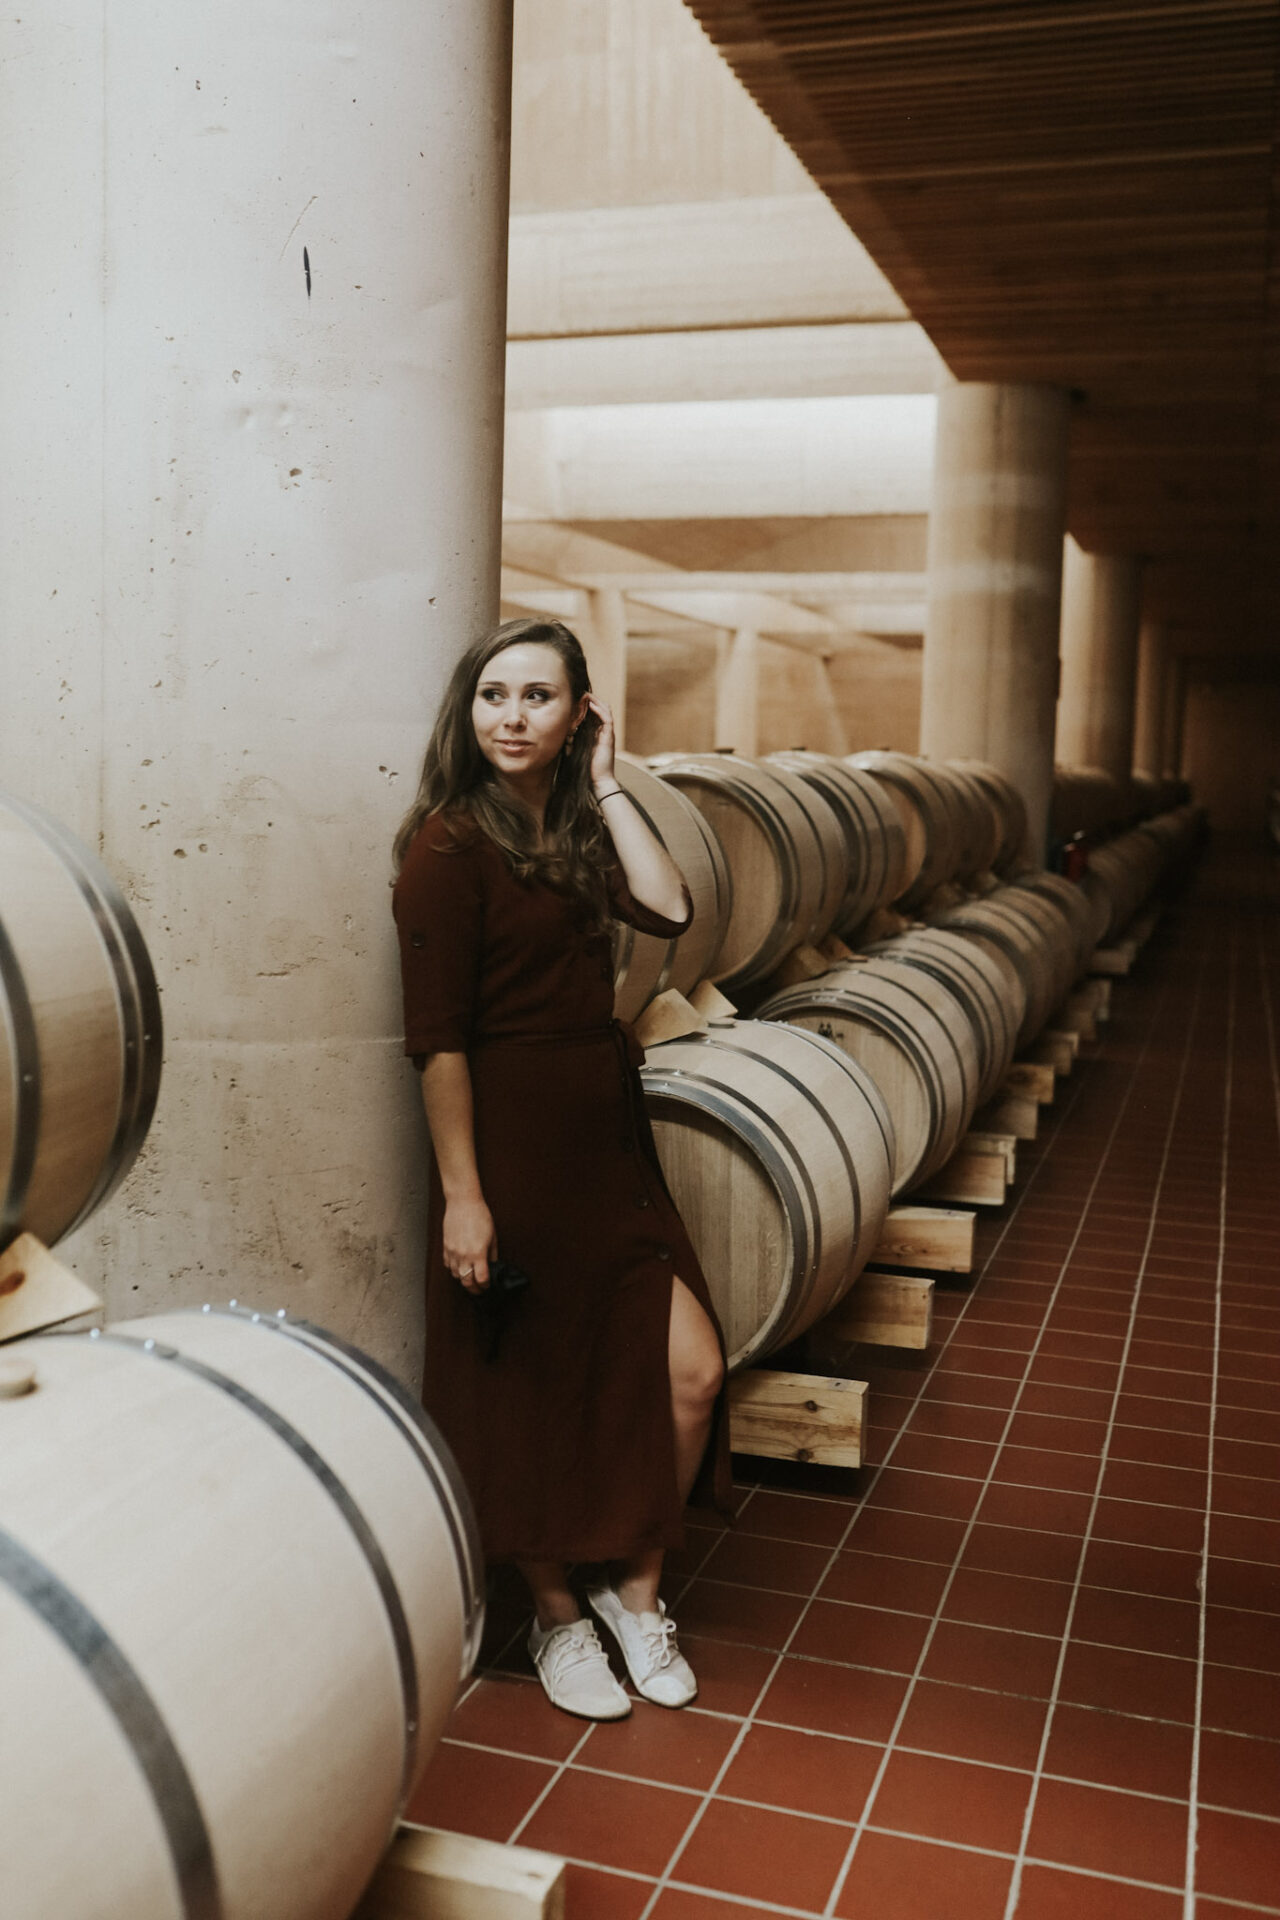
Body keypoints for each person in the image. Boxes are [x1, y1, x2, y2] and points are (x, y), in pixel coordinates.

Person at [392, 616, 729, 1721]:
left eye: (538, 696)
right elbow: (439, 1042)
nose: (511, 717)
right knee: (525, 1387)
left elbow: (672, 909)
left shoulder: (582, 830)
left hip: (604, 1134)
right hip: (512, 1143)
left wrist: (612, 784)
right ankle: (552, 1617)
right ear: (467, 709)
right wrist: (464, 1196)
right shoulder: (446, 848)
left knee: (687, 1369)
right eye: (494, 695)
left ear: (578, 713)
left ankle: (633, 1593)